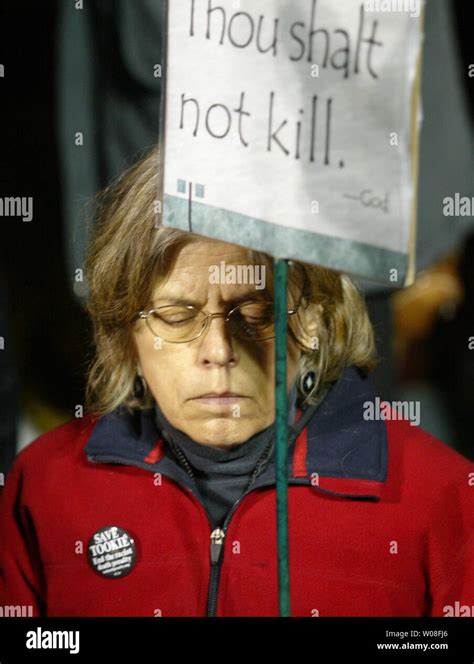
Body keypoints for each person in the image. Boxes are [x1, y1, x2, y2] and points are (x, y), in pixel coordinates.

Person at [0, 146, 473, 617]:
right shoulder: (45, 488)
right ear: (127, 334)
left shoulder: (444, 497)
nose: (220, 352)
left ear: (312, 319)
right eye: (177, 316)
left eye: (257, 312)